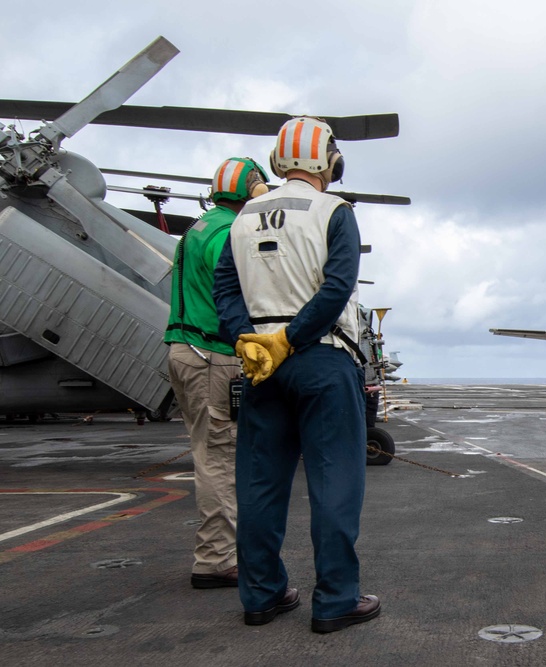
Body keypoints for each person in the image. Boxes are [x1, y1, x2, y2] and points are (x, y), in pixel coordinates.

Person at [213, 117, 380, 633]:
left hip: (261, 366)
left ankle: (261, 596)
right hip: (322, 359)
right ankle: (335, 601)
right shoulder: (335, 211)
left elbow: (224, 287)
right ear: (327, 161)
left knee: (260, 485)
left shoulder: (242, 219)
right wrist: (291, 338)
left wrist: (250, 339)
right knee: (335, 483)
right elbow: (336, 288)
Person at [164, 157, 270, 589]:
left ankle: (220, 551)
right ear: (253, 190)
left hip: (185, 350)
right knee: (221, 459)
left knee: (211, 453)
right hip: (212, 355)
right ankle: (216, 560)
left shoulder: (196, 229)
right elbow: (245, 292)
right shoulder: (230, 232)